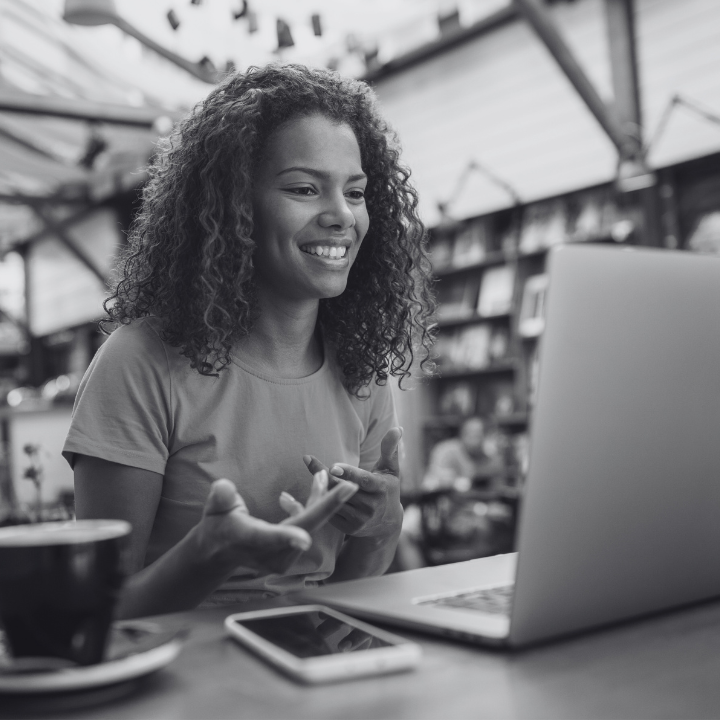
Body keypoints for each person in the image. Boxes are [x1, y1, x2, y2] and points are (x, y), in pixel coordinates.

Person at [63, 64, 435, 619]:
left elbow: (344, 598)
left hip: (311, 673)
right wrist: (208, 554)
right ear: (234, 204)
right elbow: (94, 613)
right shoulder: (140, 362)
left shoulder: (360, 370)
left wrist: (382, 527)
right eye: (305, 189)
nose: (341, 215)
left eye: (355, 193)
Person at [422, 417, 504, 492]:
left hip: (480, 503)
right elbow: (431, 482)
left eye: (479, 434)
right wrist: (455, 482)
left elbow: (497, 487)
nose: (474, 438)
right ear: (461, 434)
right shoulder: (445, 450)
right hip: (446, 501)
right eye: (470, 433)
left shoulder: (492, 456)